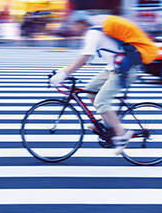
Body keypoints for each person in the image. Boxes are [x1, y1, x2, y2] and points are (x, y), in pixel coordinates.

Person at [49, 11, 138, 154]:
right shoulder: (94, 32)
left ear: (81, 23)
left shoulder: (93, 34)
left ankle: (122, 135)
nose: (72, 28)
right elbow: (87, 59)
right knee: (90, 90)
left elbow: (84, 59)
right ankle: (108, 123)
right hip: (114, 68)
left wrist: (64, 74)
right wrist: (64, 71)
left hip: (124, 71)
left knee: (101, 102)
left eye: (73, 25)